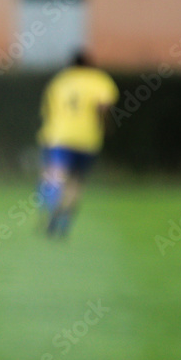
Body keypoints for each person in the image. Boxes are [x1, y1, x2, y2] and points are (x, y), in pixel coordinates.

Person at [36, 50, 118, 238]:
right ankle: (64, 219)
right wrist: (106, 126)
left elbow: (48, 110)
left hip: (59, 136)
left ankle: (51, 208)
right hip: (88, 139)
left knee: (55, 174)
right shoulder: (99, 79)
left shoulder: (60, 81)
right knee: (76, 180)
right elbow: (104, 106)